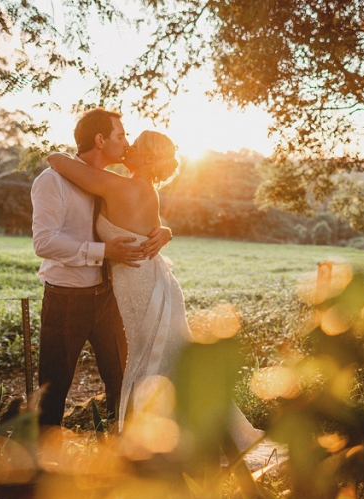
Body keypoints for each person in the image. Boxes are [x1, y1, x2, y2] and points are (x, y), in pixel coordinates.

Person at [47, 131, 263, 451]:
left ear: (148, 158)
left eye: (135, 144)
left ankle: (167, 442)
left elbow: (55, 160)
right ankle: (174, 436)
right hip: (155, 284)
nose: (129, 146)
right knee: (163, 360)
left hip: (144, 289)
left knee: (153, 361)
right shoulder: (145, 188)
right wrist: (166, 231)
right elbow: (151, 228)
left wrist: (102, 149)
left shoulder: (118, 185)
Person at [31, 108, 172, 426]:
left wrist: (164, 232)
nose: (126, 143)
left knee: (121, 380)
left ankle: (117, 455)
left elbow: (143, 217)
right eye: (120, 136)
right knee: (54, 388)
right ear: (100, 140)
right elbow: (44, 243)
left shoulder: (112, 183)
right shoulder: (52, 182)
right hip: (67, 298)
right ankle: (44, 465)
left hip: (110, 295)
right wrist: (103, 251)